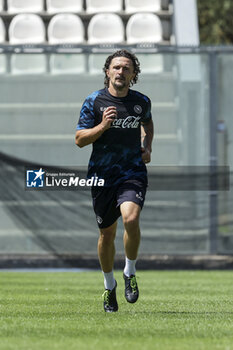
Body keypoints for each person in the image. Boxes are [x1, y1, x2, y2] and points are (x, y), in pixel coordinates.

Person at [75, 49, 154, 312]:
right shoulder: (94, 101)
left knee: (131, 219)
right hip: (101, 176)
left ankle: (129, 271)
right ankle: (109, 287)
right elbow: (79, 140)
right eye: (116, 67)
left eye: (126, 68)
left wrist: (147, 144)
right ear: (108, 71)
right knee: (106, 234)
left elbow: (148, 122)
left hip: (132, 172)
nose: (121, 72)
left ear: (133, 75)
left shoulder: (141, 101)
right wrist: (103, 126)